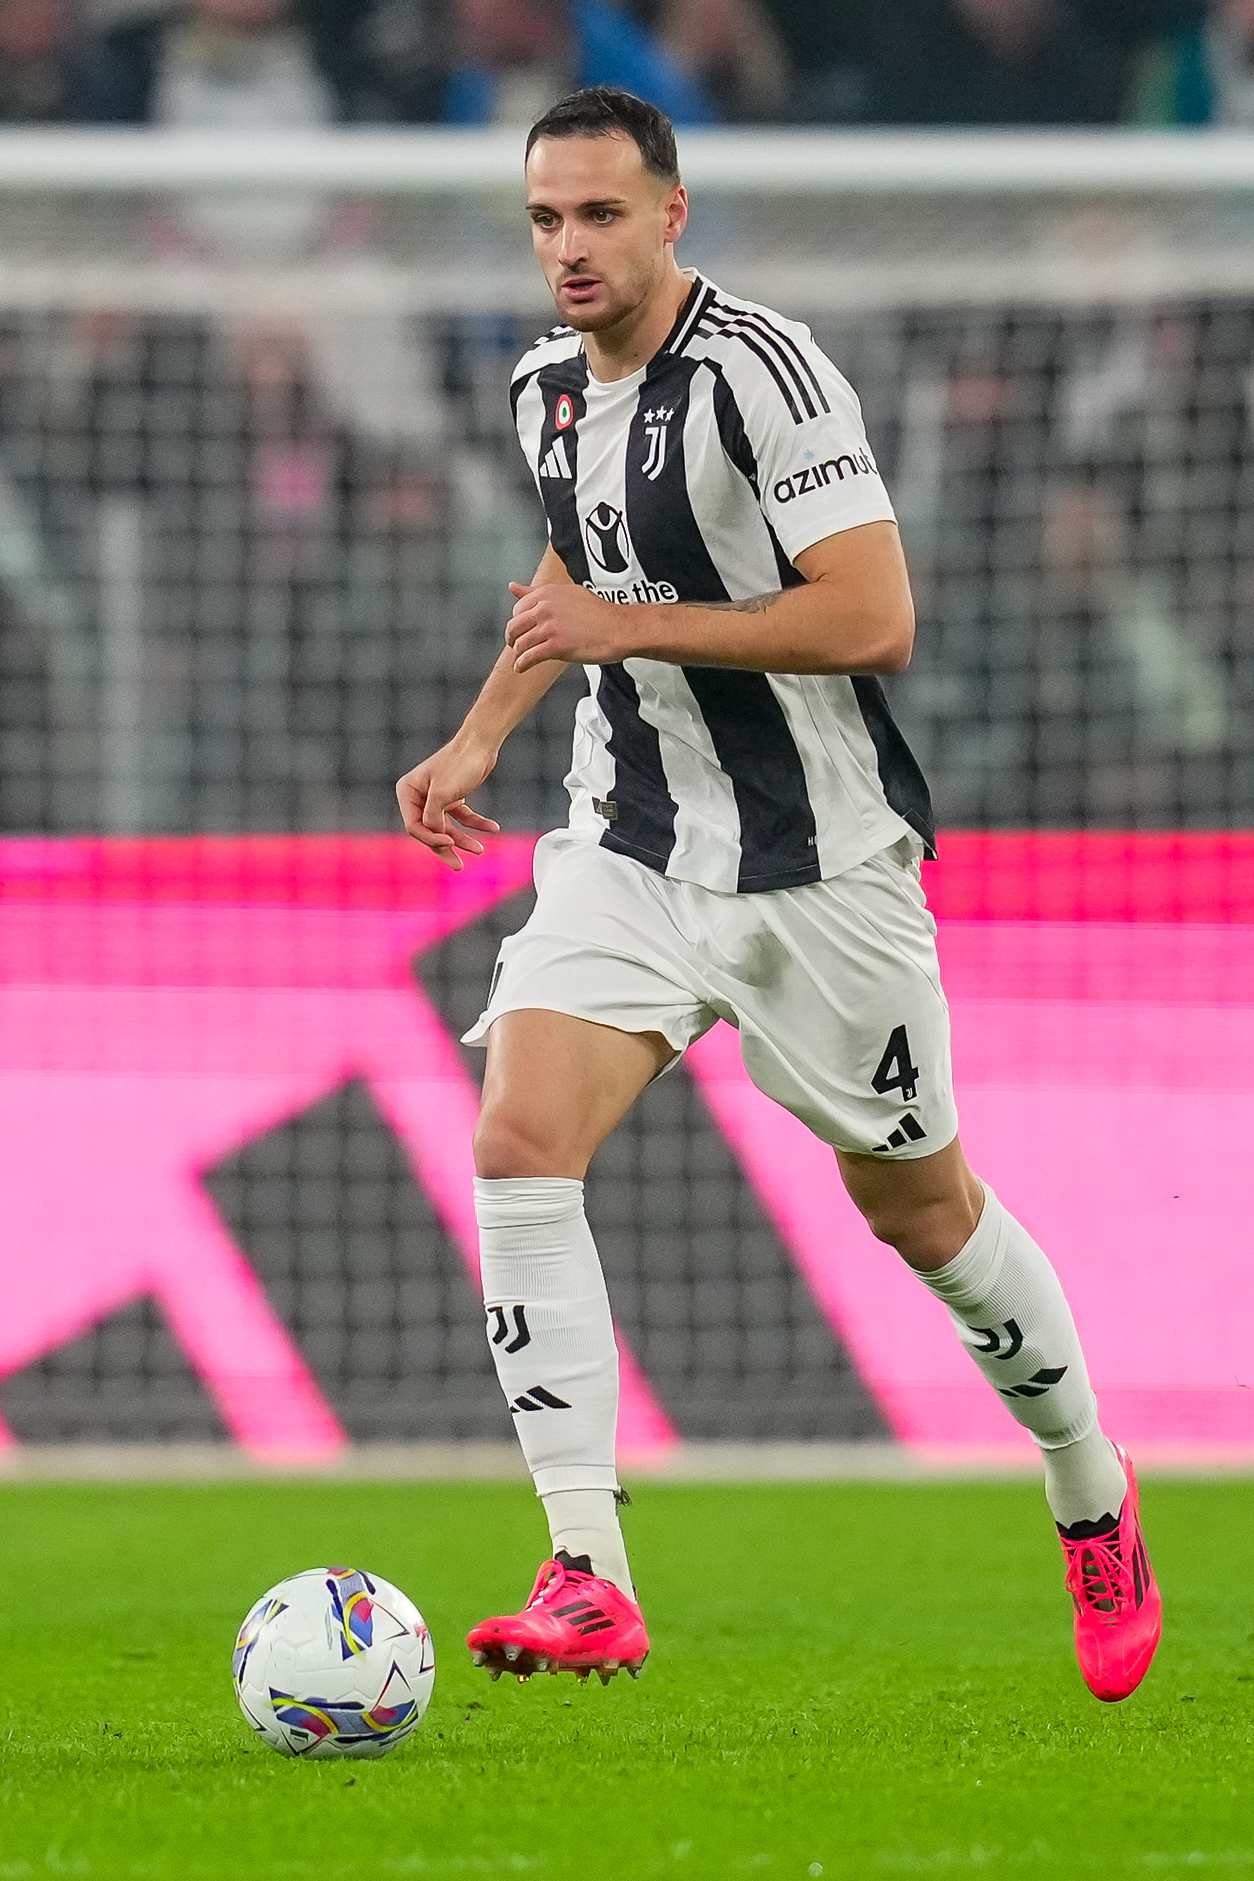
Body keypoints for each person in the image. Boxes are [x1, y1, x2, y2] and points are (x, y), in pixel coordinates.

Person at [395, 85, 1162, 1702]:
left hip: (817, 868)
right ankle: (587, 1567)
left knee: (925, 1218)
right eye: (545, 219)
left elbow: (874, 615)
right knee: (519, 1138)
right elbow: (569, 582)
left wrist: (632, 628)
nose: (569, 248)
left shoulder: (766, 373)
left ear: (670, 215)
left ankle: (1088, 1486)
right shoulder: (541, 389)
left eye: (600, 214)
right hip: (628, 841)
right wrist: (474, 740)